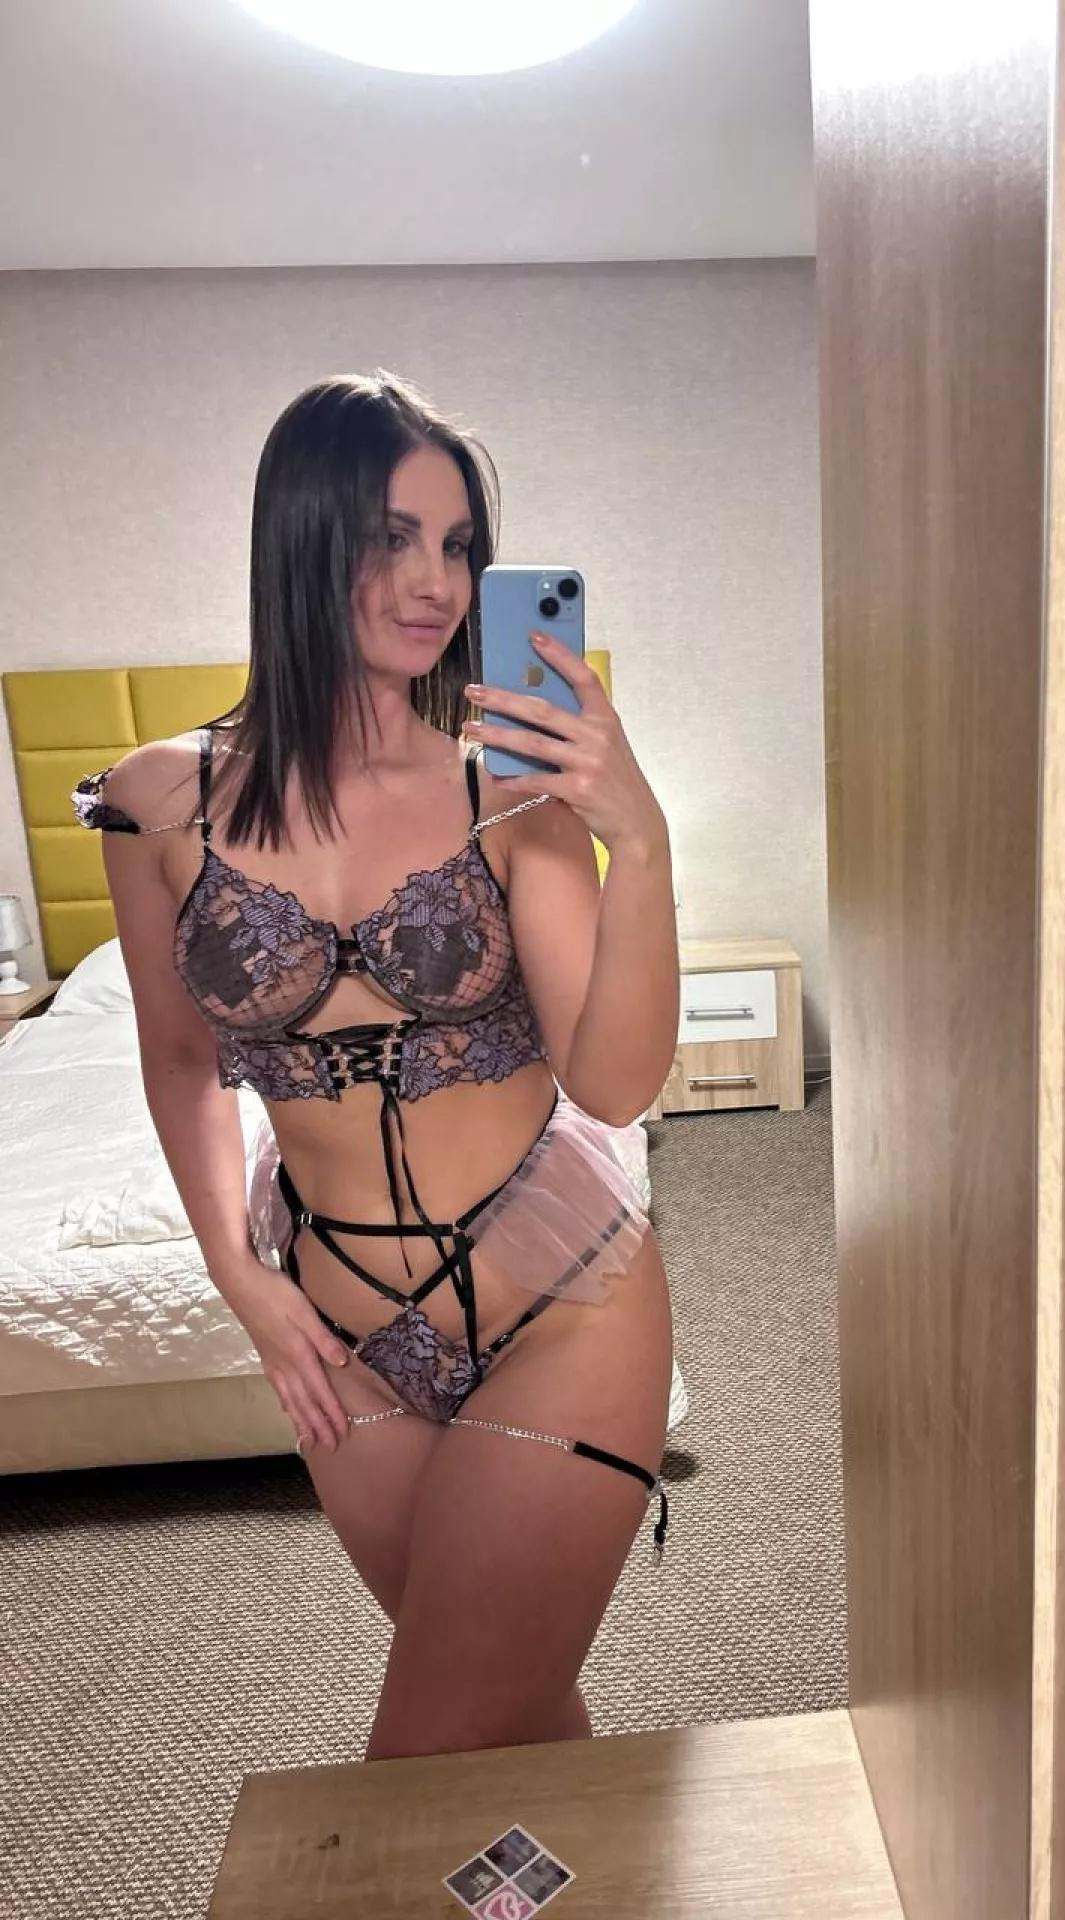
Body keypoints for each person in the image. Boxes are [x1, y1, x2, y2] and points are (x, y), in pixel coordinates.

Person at [70, 370, 680, 1759]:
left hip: (558, 1304)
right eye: (390, 537)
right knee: (508, 1704)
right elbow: (180, 1063)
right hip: (338, 1331)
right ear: (300, 536)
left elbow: (615, 1085)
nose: (435, 582)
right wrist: (240, 1279)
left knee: (427, 1746)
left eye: (457, 545)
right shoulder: (157, 803)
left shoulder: (508, 791)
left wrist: (638, 843)